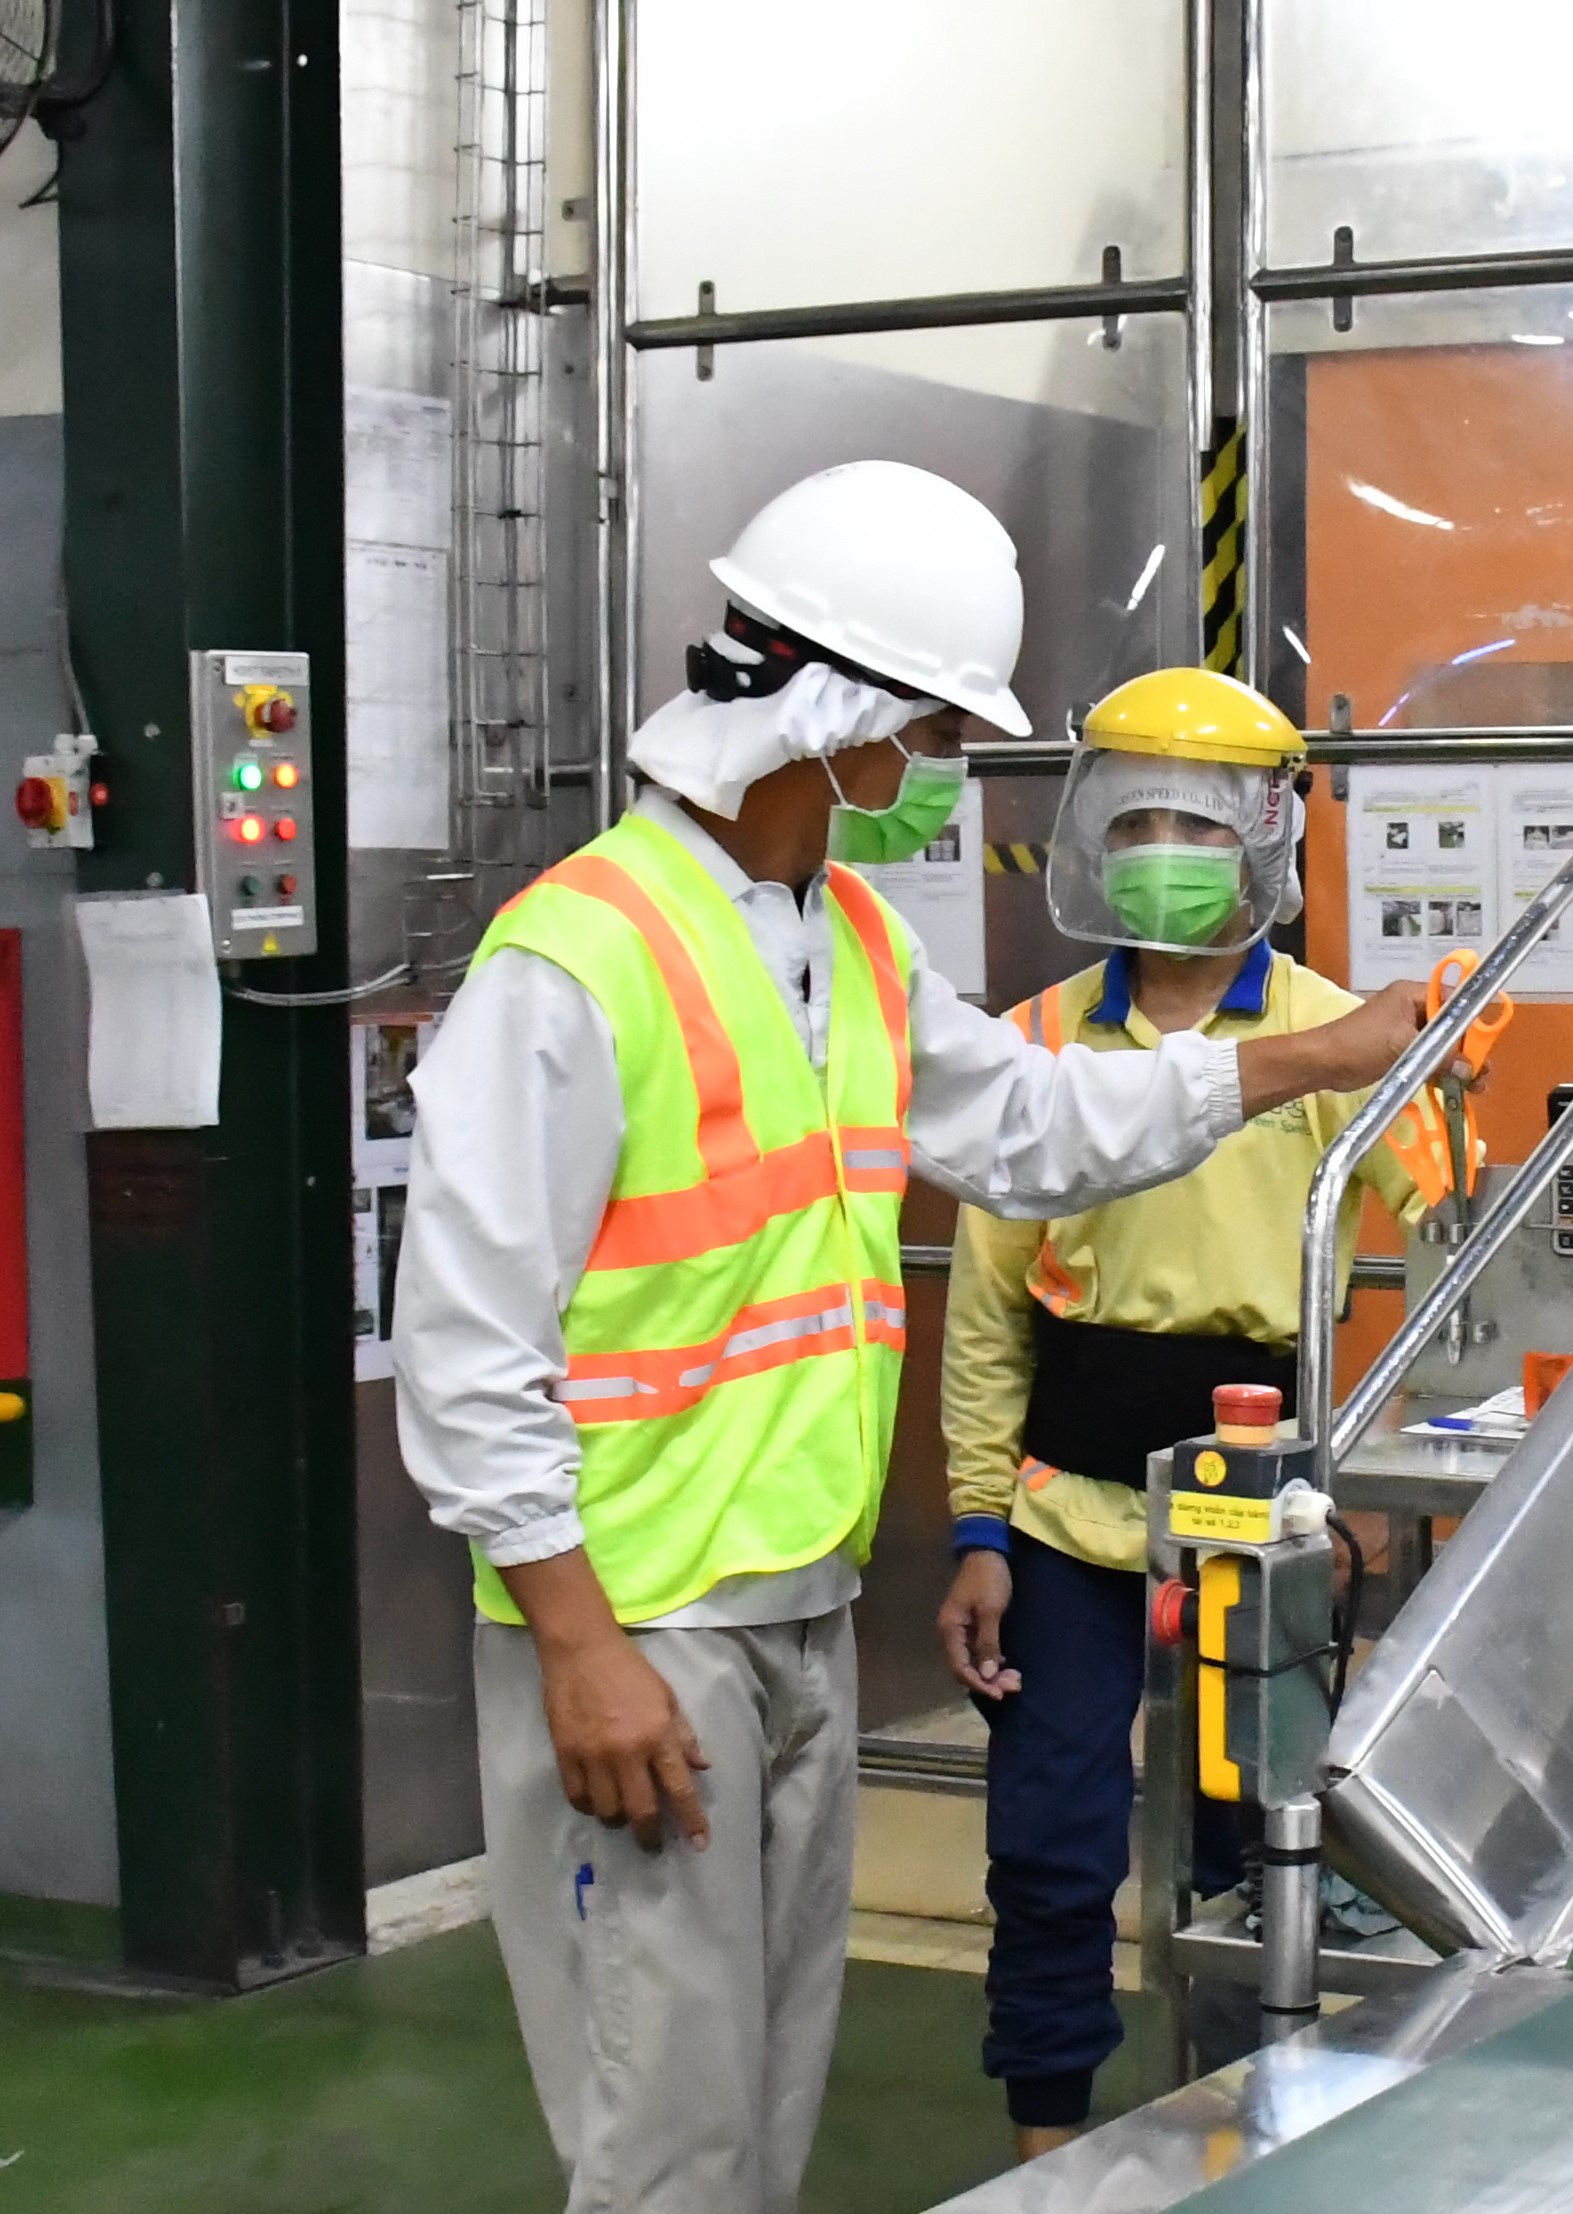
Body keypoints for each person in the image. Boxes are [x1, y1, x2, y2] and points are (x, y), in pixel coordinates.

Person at [392, 462, 1433, 2214]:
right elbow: (464, 1342)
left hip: (794, 1599)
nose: (939, 775)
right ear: (838, 720)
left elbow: (1033, 1121)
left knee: (763, 2093)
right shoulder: (575, 961)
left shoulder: (848, 941)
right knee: (667, 2128)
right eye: (936, 734)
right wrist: (577, 1642)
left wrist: (1305, 1059)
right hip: (639, 1620)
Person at [931, 667, 1438, 2159]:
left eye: (1200, 823)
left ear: (1266, 836)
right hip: (1067, 1516)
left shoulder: (1335, 1038)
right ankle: (1044, 2146)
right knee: (1048, 1843)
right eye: (1139, 819)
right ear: (1094, 833)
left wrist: (1456, 1097)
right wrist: (977, 1526)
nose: (1166, 850)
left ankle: (1247, 2137)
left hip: (1257, 1515)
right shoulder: (1030, 1044)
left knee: (1256, 1847)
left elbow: (1458, 1224)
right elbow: (987, 1320)